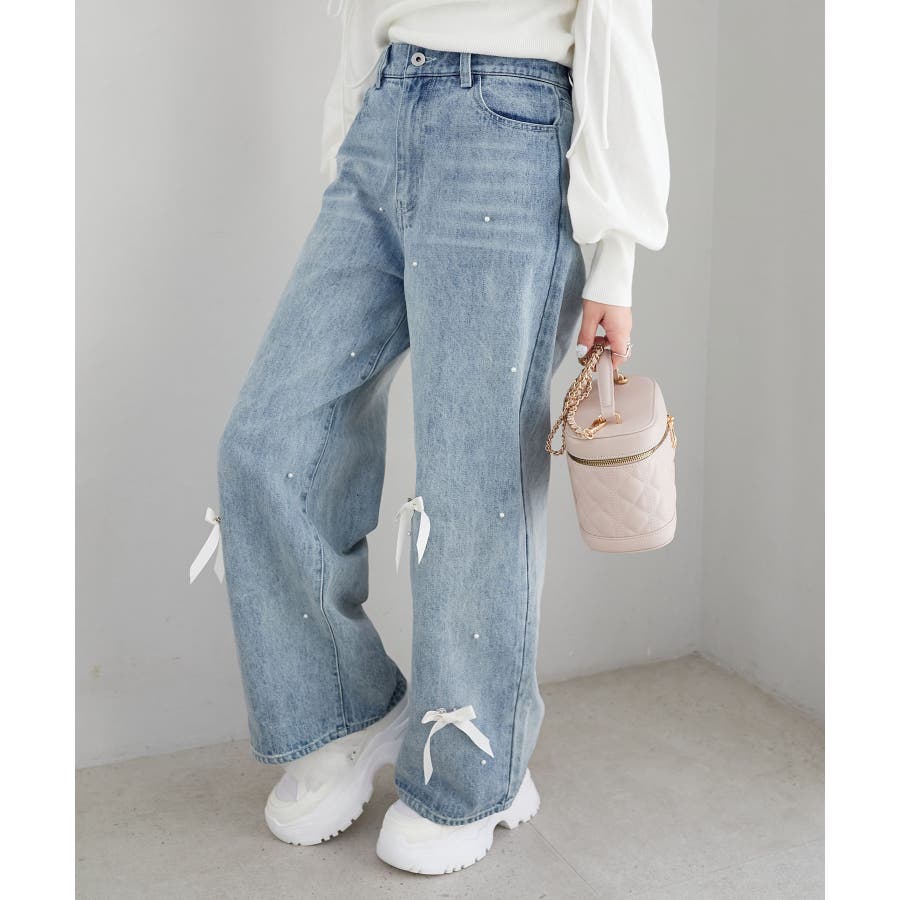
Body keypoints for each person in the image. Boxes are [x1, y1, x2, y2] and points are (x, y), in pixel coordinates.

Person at [202, 0, 669, 876]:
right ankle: (346, 708)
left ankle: (474, 767)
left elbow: (617, 21)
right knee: (265, 443)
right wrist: (353, 140)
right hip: (384, 119)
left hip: (512, 128)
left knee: (472, 483)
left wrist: (617, 257)